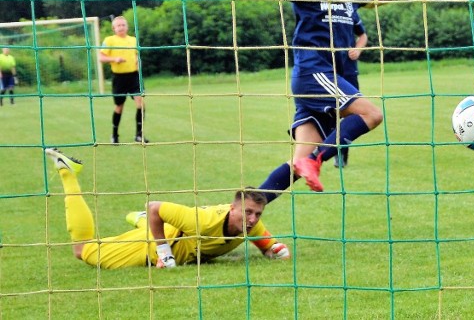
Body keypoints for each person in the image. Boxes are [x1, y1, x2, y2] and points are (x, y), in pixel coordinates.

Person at [204, 0, 432, 201]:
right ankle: (316, 160)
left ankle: (247, 211)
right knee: (371, 114)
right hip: (313, 73)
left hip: (323, 82)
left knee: (297, 165)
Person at [45, 148, 290, 269]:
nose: (252, 219)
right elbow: (155, 207)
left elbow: (268, 245)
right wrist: (164, 252)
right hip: (153, 244)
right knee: (83, 250)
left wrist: (273, 251)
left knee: (149, 220)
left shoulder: (252, 225)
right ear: (232, 208)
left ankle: (139, 219)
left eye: (257, 213)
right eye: (247, 212)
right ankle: (68, 172)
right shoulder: (202, 220)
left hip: (172, 229)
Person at [99, 16, 148, 144]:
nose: (121, 27)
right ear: (114, 28)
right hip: (119, 78)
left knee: (141, 102)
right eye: (118, 25)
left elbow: (137, 55)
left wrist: (138, 61)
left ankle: (139, 135)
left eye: (123, 25)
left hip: (134, 76)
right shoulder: (109, 40)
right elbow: (101, 57)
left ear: (127, 27)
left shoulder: (133, 40)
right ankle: (114, 135)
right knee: (119, 106)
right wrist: (114, 59)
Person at [334, 10, 368, 169]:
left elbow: (362, 35)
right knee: (329, 113)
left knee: (350, 114)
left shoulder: (350, 10)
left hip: (348, 70)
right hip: (326, 68)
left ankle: (342, 155)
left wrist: (358, 49)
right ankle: (317, 150)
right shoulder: (318, 7)